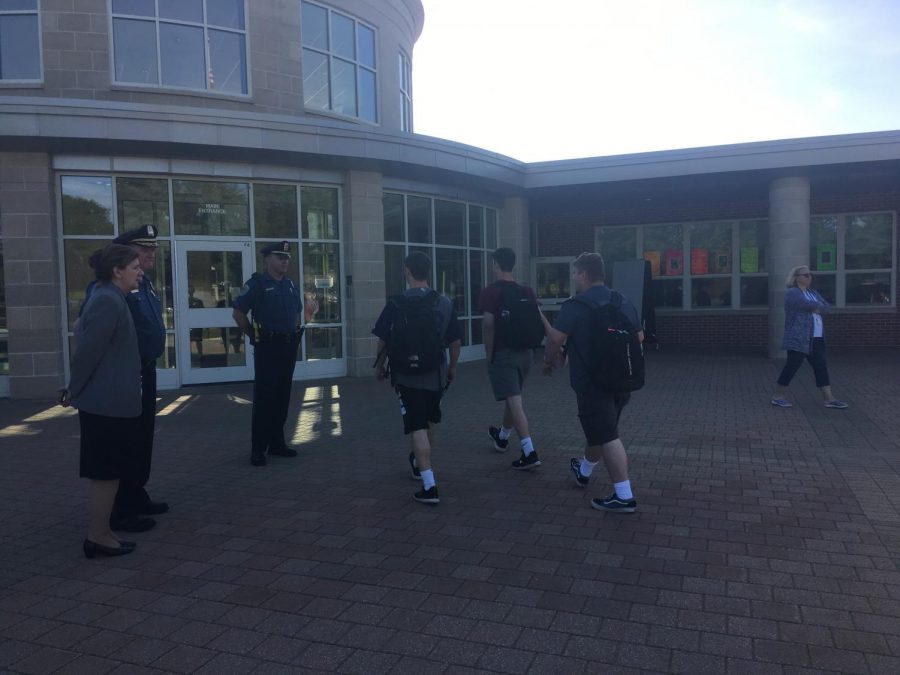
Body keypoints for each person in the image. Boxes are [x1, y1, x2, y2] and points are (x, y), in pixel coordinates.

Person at [81, 225, 168, 532]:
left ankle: (135, 493)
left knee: (143, 437)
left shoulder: (145, 283)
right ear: (126, 255)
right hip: (124, 376)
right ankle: (120, 509)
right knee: (126, 442)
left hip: (145, 369)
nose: (150, 254)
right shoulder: (105, 288)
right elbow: (92, 337)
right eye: (143, 249)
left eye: (153, 249)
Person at [59, 245, 144, 558]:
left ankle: (103, 532)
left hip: (113, 404)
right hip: (104, 405)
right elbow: (87, 352)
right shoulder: (108, 300)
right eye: (135, 266)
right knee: (105, 473)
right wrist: (72, 389)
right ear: (117, 271)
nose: (140, 271)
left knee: (110, 471)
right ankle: (97, 536)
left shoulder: (111, 296)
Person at [543, 252, 643, 513]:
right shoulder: (623, 301)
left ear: (585, 274)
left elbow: (554, 339)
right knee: (601, 429)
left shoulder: (576, 305)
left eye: (576, 273)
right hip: (623, 379)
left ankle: (624, 495)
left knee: (608, 435)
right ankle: (583, 471)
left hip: (591, 383)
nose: (574, 278)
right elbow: (639, 337)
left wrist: (549, 360)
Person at [372, 251, 462, 505]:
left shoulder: (396, 303)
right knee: (427, 422)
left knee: (416, 426)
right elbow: (455, 341)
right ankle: (419, 462)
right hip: (434, 374)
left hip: (405, 376)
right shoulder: (443, 303)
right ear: (428, 271)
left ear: (407, 270)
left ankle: (429, 484)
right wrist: (452, 368)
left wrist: (380, 367)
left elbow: (382, 339)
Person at [233, 241, 304, 466]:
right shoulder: (257, 284)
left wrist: (293, 331)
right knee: (265, 398)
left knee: (282, 396)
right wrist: (253, 337)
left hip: (287, 345)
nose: (285, 261)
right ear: (267, 259)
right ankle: (258, 448)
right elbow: (238, 313)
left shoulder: (291, 285)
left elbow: (296, 313)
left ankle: (277, 443)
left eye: (287, 257)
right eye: (279, 256)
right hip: (268, 347)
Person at [479, 247, 549, 469]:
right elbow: (540, 318)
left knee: (515, 402)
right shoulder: (526, 290)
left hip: (504, 353)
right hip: (526, 354)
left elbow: (488, 324)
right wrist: (555, 343)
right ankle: (502, 436)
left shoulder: (490, 292)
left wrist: (489, 354)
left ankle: (529, 451)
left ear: (495, 264)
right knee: (513, 397)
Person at [771, 265, 848, 409]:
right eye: (805, 275)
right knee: (792, 367)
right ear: (796, 278)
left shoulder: (813, 293)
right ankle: (777, 396)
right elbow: (806, 305)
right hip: (799, 338)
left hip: (816, 338)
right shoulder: (792, 293)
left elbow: (826, 307)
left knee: (821, 367)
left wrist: (817, 306)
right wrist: (816, 306)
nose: (809, 277)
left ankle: (829, 399)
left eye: (810, 274)